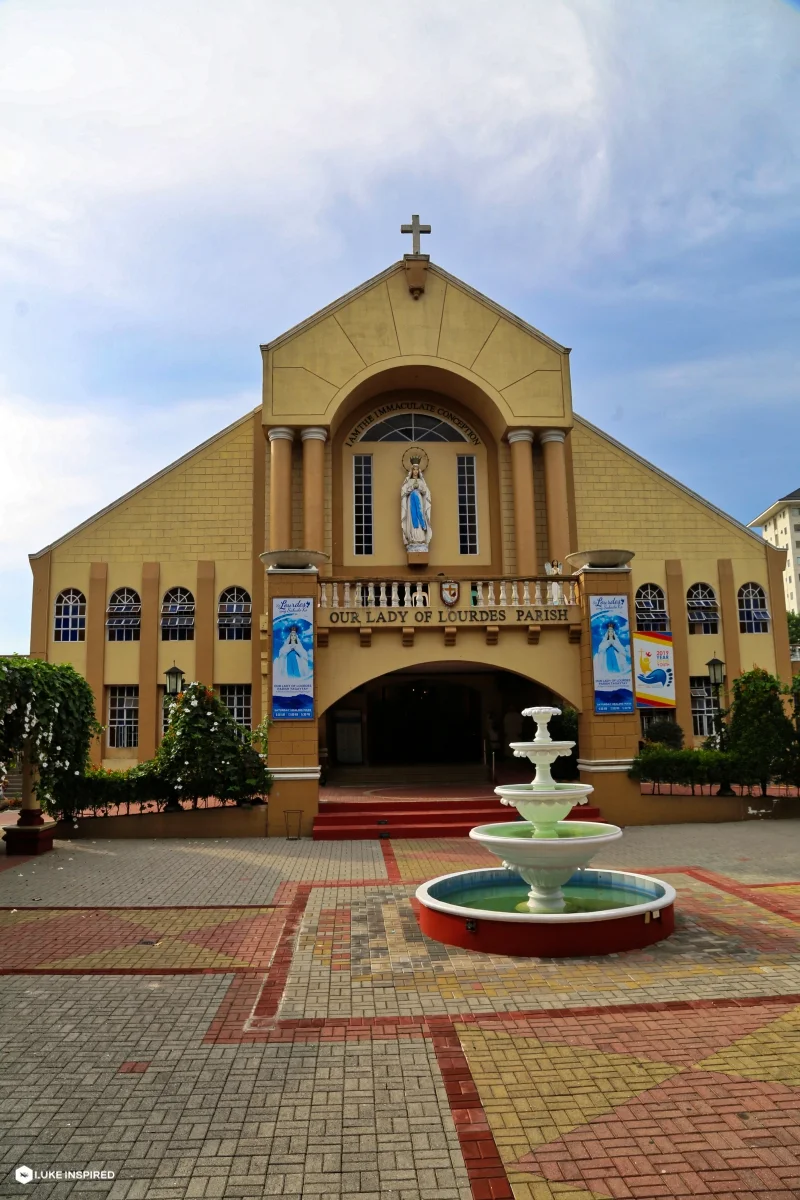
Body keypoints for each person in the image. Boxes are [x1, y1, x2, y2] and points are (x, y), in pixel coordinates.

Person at [401, 459, 432, 550]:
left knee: (420, 518)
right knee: (412, 519)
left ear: (419, 471)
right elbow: (403, 492)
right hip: (411, 504)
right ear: (411, 471)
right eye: (414, 469)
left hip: (419, 503)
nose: (415, 471)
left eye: (417, 469)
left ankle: (421, 539)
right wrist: (411, 488)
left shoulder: (421, 481)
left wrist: (419, 488)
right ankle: (412, 539)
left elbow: (426, 492)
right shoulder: (408, 481)